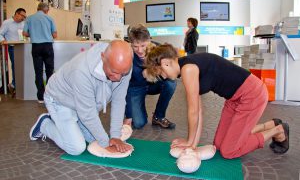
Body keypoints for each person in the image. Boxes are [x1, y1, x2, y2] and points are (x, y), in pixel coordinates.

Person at [143, 44, 289, 159]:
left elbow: (193, 111)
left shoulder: (188, 69)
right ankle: (271, 124)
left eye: (160, 72)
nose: (163, 76)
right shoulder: (186, 68)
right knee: (218, 145)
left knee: (228, 151)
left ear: (165, 63)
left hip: (252, 95)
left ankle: (277, 130)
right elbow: (199, 111)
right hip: (234, 99)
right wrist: (192, 145)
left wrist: (188, 140)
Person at [29, 40, 133, 155]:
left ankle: (73, 124)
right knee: (76, 148)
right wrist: (106, 143)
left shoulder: (124, 67)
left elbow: (119, 101)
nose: (118, 78)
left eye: (123, 73)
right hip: (60, 100)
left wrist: (115, 136)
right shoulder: (81, 71)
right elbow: (88, 113)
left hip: (82, 103)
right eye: (114, 72)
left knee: (93, 140)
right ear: (103, 57)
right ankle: (44, 124)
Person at [123, 24, 176, 129]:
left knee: (170, 83)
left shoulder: (158, 50)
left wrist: (155, 71)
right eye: (135, 46)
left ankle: (158, 117)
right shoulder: (126, 55)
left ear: (149, 41)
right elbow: (125, 87)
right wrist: (128, 115)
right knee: (139, 123)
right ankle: (136, 112)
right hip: (135, 87)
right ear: (130, 44)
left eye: (143, 45)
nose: (139, 50)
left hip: (153, 84)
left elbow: (172, 71)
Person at [23, 2, 57, 103]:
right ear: (46, 10)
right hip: (47, 46)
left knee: (38, 72)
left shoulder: (29, 18)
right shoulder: (49, 18)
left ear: (38, 8)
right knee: (50, 71)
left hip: (36, 47)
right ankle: (50, 95)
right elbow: (55, 35)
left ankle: (41, 97)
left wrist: (33, 34)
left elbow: (24, 33)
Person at [0, 8, 27, 95]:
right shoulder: (7, 23)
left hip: (24, 47)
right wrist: (2, 40)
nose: (23, 18)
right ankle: (15, 85)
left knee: (23, 67)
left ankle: (15, 85)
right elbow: (0, 33)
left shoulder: (24, 23)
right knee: (16, 67)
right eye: (22, 16)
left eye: (24, 17)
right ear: (16, 14)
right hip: (13, 48)